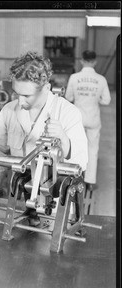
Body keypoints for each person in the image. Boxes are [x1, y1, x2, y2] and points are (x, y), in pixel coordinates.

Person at [0, 51, 88, 225]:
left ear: (46, 88)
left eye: (27, 96)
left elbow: (80, 162)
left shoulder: (67, 113)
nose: (20, 102)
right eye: (17, 94)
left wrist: (63, 138)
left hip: (54, 205)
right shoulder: (9, 111)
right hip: (19, 202)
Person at [65, 50, 111, 196]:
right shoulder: (101, 79)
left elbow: (68, 97)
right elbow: (106, 100)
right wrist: (94, 99)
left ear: (82, 60)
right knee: (92, 149)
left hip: (77, 118)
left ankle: (75, 177)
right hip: (93, 119)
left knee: (76, 148)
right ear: (95, 61)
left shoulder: (74, 77)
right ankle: (90, 182)